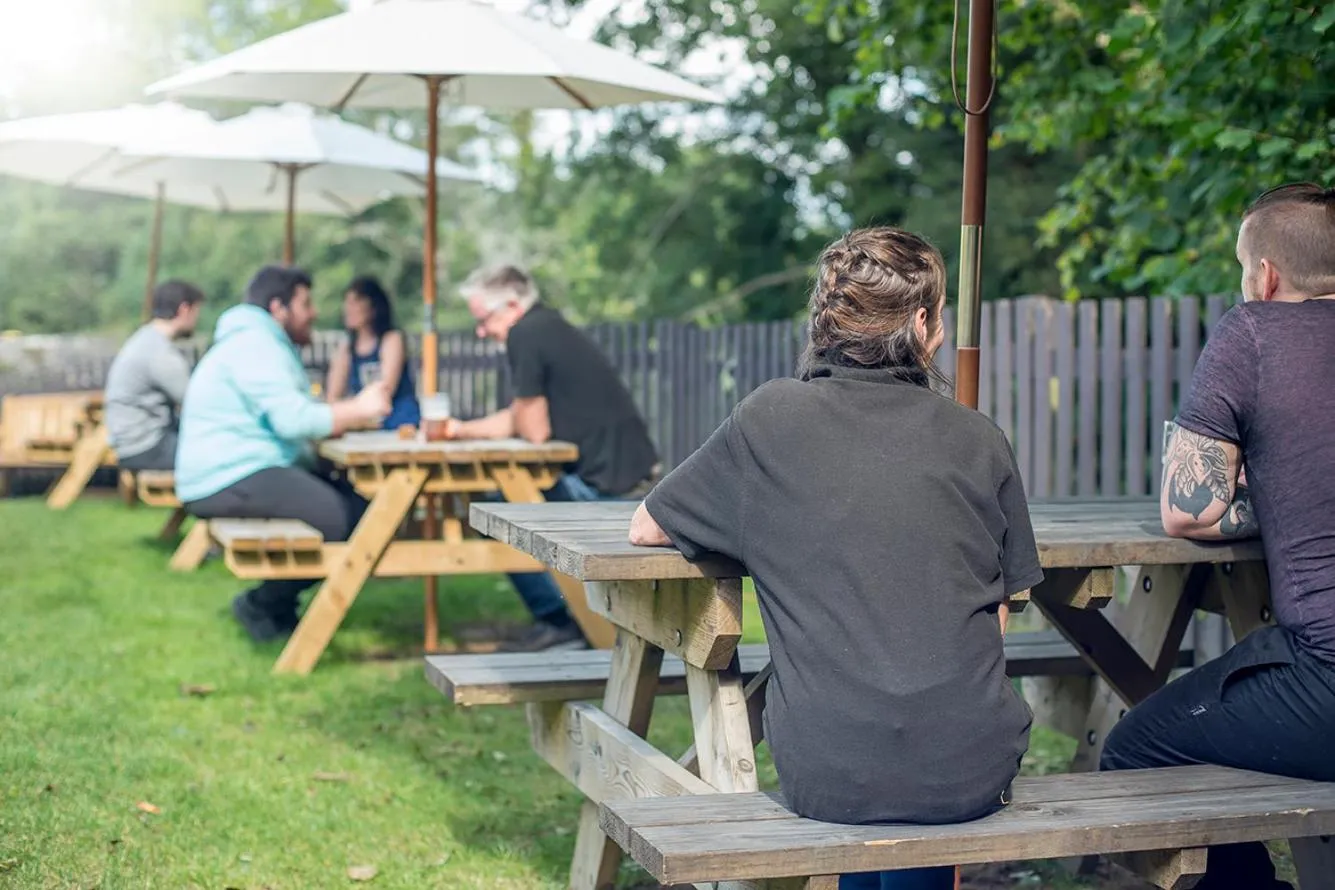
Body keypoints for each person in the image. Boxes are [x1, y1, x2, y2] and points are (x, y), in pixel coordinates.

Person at [627, 227, 1043, 890]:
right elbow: (994, 620)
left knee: (866, 764)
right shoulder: (977, 437)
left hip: (827, 768)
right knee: (918, 758)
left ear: (824, 322)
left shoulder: (769, 420)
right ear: (920, 323)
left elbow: (647, 525)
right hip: (968, 766)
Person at [1101, 183, 1335, 890]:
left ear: (1264, 274)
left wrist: (1267, 498)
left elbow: (1186, 510)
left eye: (1242, 268)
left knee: (1136, 748)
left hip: (1325, 680)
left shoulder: (1254, 330)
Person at [448, 264, 660, 652]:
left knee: (496, 511)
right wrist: (461, 430)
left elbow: (533, 429)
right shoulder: (547, 325)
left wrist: (476, 427)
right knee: (506, 504)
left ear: (511, 305)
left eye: (483, 320)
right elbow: (522, 416)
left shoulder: (524, 334)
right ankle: (567, 620)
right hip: (631, 478)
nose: (481, 331)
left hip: (606, 488)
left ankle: (562, 622)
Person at [175, 265, 390, 642]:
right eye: (305, 303)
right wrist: (357, 408)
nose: (314, 313)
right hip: (227, 474)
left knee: (358, 510)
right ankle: (263, 604)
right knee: (336, 518)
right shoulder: (256, 344)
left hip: (234, 468)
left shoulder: (253, 341)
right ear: (279, 308)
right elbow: (293, 420)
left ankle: (277, 606)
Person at [104, 280, 204, 471]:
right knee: (220, 453)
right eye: (196, 312)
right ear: (184, 310)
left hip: (129, 443)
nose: (196, 320)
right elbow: (196, 401)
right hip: (146, 446)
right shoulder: (160, 352)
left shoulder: (145, 339)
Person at [324, 275, 421, 431]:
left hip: (399, 422)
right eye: (347, 302)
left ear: (373, 306)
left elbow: (385, 390)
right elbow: (332, 397)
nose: (349, 308)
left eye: (356, 301)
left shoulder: (392, 339)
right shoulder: (346, 348)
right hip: (364, 424)